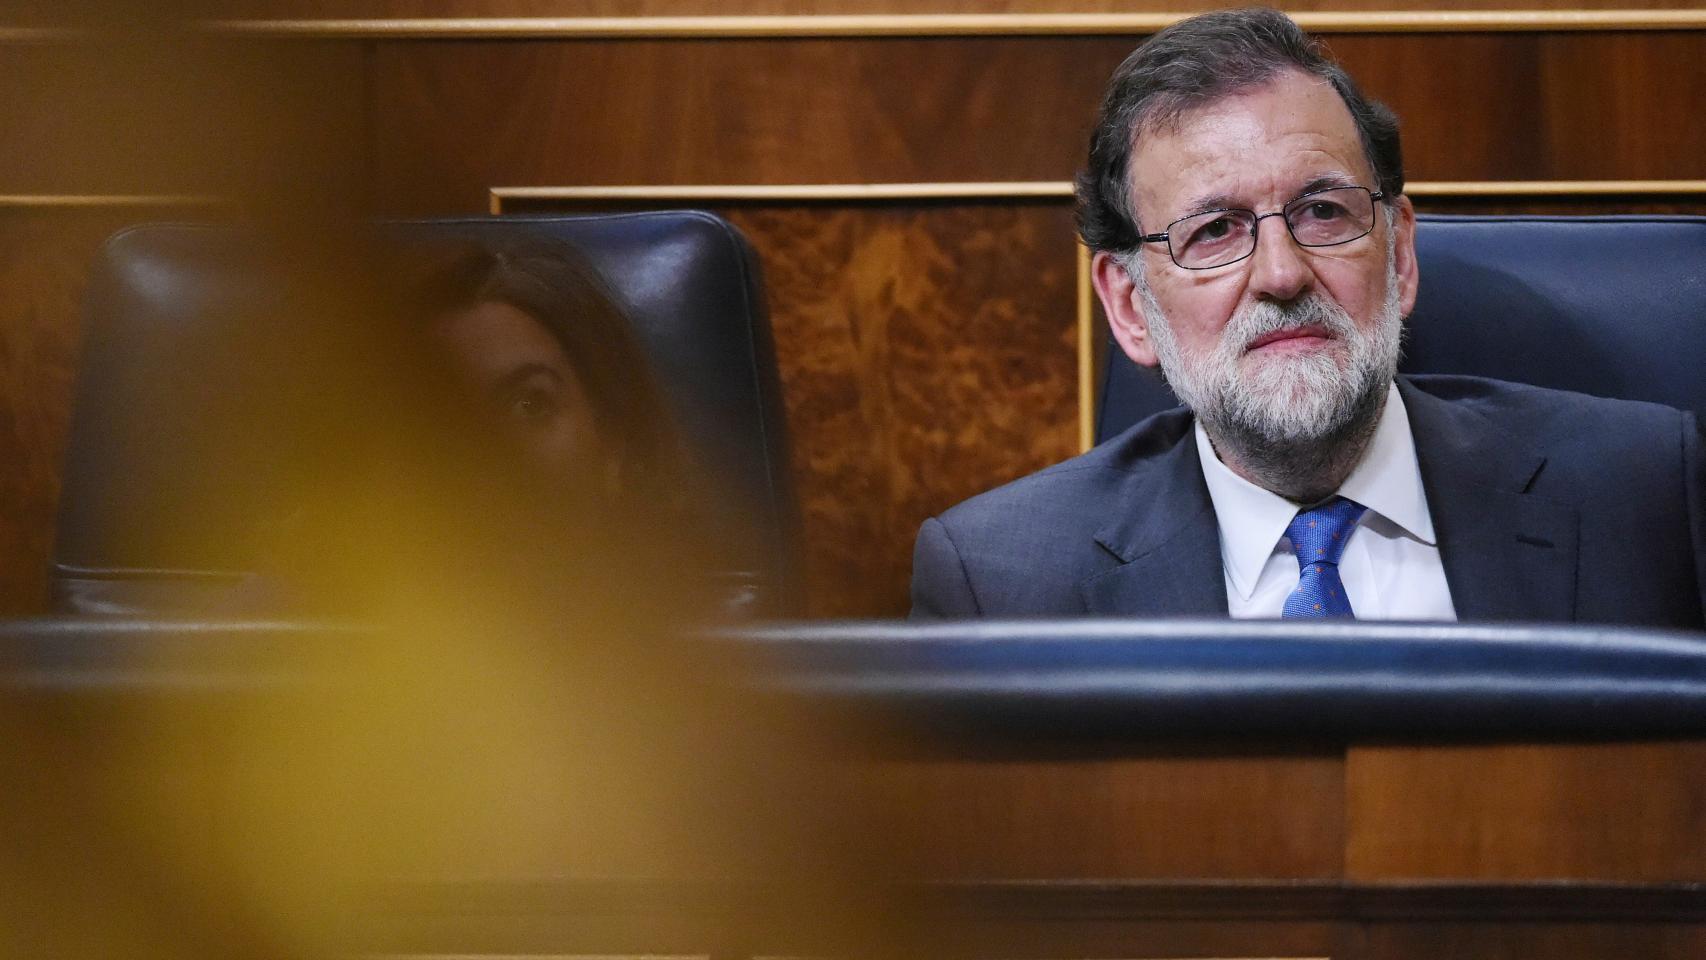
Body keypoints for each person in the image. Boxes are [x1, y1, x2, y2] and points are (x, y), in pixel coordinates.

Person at [910, 7, 1706, 625]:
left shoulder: (1640, 494)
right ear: (1131, 308)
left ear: (1397, 255)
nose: (1283, 274)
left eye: (1323, 211)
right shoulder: (1004, 582)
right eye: (1214, 231)